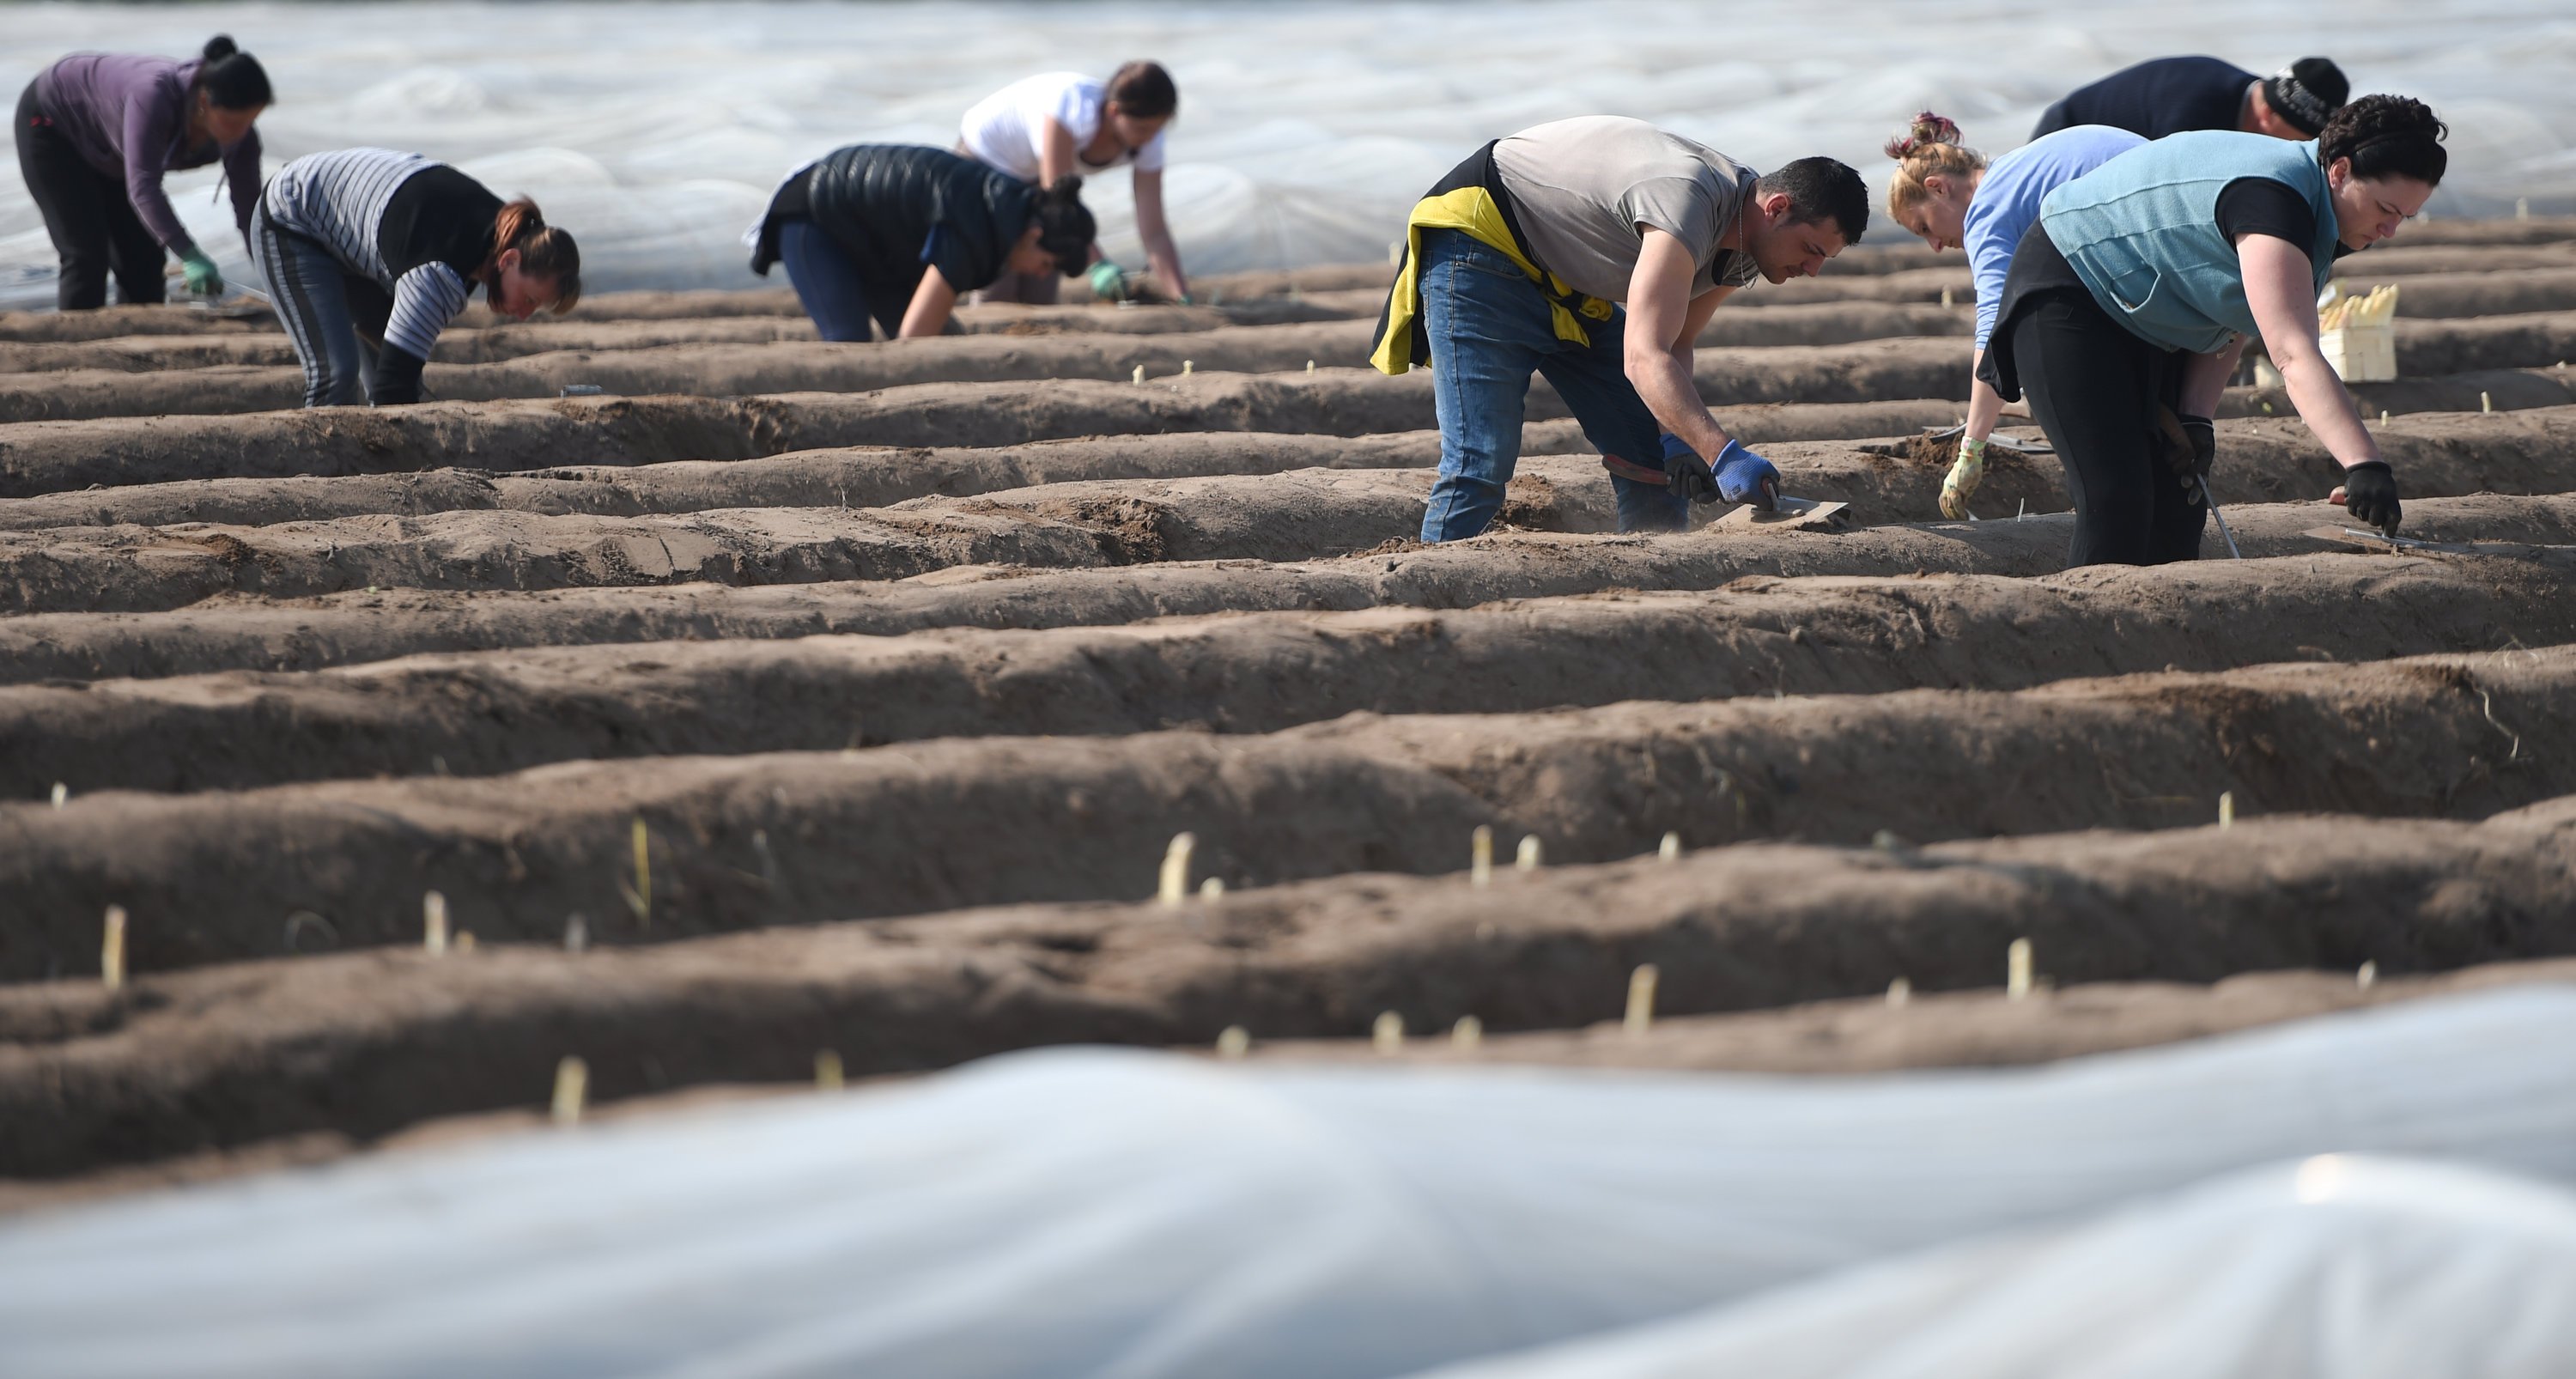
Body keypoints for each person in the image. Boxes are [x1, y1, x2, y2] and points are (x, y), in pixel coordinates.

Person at [1977, 94, 2445, 567]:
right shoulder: (2275, 200)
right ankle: (2090, 630)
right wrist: (2364, 463)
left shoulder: (2322, 210)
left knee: (2178, 502)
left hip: (2145, 309)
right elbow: (2292, 354)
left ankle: (2167, 632)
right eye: (2387, 209)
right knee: (2116, 496)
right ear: (2340, 171)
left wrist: (2195, 414)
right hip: (2068, 285)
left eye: (2404, 217)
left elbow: (2235, 307)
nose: (2390, 230)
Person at [1372, 116, 1868, 543]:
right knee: (1480, 462)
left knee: (1652, 451)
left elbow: (1675, 344)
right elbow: (1645, 357)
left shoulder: (1746, 243)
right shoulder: (1690, 200)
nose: (1812, 270)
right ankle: (1428, 601)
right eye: (1812, 251)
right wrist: (1723, 454)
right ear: (1777, 208)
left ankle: (1653, 574)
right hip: (1483, 250)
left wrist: (1677, 440)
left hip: (1563, 278)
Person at [1880, 112, 2146, 517]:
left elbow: (1992, 328)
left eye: (1924, 227)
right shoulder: (2014, 171)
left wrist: (1971, 447)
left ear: (1938, 188)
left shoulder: (1986, 212)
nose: (1934, 245)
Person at [251, 148, 580, 408]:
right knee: (337, 374)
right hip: (293, 218)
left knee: (388, 360)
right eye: (529, 300)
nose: (523, 314)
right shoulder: (441, 271)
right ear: (509, 260)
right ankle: (322, 488)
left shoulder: (501, 231)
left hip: (352, 231)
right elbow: (394, 392)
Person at [15, 35, 270, 310]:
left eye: (250, 121)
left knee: (144, 259)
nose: (241, 132)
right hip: (53, 125)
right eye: (233, 121)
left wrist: (274, 277)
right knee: (86, 255)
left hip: (112, 152)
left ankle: (134, 345)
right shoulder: (152, 97)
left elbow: (250, 212)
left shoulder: (242, 138)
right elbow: (144, 187)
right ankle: (73, 348)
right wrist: (190, 255)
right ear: (205, 101)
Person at [747, 144, 1094, 342]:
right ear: (1034, 236)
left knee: (947, 345)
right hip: (814, 219)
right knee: (848, 339)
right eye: (1046, 263)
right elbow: (915, 342)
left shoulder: (1002, 210)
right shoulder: (974, 232)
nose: (1039, 274)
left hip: (877, 250)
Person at [957, 62, 1184, 304]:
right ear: (1114, 111)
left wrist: (1180, 294)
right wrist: (1099, 265)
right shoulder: (1071, 109)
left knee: (1042, 284)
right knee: (1000, 279)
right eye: (1142, 128)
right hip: (985, 160)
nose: (1149, 137)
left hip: (1036, 176)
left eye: (1157, 129)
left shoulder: (1149, 140)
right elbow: (1057, 201)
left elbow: (1154, 230)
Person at [2032, 56, 2346, 143]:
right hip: (2064, 135)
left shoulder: (2245, 98)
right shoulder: (2196, 112)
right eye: (2295, 141)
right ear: (2268, 116)